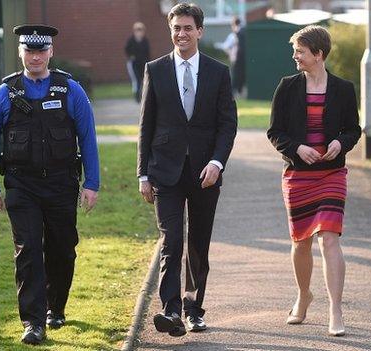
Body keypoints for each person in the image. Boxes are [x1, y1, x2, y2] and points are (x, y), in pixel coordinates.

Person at [0, 24, 100, 345]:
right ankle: (33, 322)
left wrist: (92, 183)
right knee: (28, 250)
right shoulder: (4, 94)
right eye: (29, 51)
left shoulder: (70, 90)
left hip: (62, 184)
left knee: (62, 247)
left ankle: (55, 307)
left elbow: (88, 138)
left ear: (50, 52)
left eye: (41, 51)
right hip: (22, 186)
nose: (35, 57)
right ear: (21, 53)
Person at [137, 3, 237, 337]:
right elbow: (146, 124)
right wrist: (143, 174)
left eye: (187, 28)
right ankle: (171, 311)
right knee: (172, 240)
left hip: (205, 172)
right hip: (164, 170)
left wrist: (217, 162)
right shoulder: (156, 69)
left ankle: (194, 310)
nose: (181, 34)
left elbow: (227, 125)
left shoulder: (218, 72)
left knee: (198, 243)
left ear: (200, 31)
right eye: (176, 28)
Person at [267, 25, 361, 337]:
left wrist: (340, 143)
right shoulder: (287, 86)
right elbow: (275, 132)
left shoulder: (344, 89)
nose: (295, 56)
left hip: (332, 173)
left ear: (318, 54)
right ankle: (303, 295)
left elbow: (353, 129)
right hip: (298, 176)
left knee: (329, 238)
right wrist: (296, 148)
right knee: (302, 241)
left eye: (300, 51)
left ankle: (336, 308)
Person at [215, 16, 246, 97]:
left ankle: (233, 93)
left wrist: (229, 53)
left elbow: (225, 46)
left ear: (233, 25)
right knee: (240, 76)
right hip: (243, 59)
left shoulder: (234, 35)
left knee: (235, 76)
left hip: (236, 59)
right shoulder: (244, 33)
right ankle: (239, 92)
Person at [125, 21, 151, 103]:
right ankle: (137, 96)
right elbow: (127, 50)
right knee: (136, 80)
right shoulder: (131, 40)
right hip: (134, 64)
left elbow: (148, 53)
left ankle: (144, 96)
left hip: (143, 63)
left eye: (141, 30)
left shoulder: (145, 41)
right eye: (137, 30)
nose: (139, 32)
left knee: (144, 79)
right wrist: (131, 56)